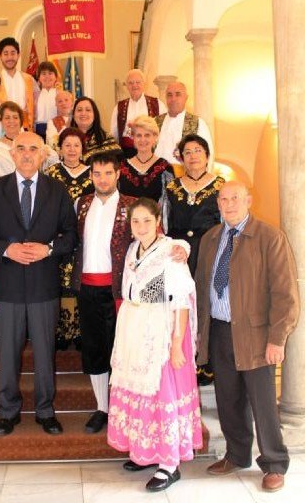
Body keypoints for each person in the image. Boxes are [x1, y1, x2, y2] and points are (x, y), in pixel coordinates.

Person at [195, 181, 300, 493]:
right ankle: (237, 454)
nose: (228, 204)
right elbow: (202, 289)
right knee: (229, 400)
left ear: (248, 201)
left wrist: (277, 339)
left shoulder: (270, 238)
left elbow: (285, 295)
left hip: (257, 335)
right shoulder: (211, 238)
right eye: (223, 199)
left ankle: (274, 463)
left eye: (235, 198)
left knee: (263, 403)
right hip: (219, 331)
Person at [0, 132, 77, 436]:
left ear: (43, 154)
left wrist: (49, 249)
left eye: (34, 149)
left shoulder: (57, 190)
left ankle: (45, 411)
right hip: (8, 286)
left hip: (45, 285)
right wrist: (7, 249)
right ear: (12, 153)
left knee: (45, 352)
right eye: (21, 149)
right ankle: (8, 412)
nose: (28, 154)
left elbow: (70, 235)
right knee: (8, 353)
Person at [108, 198, 202, 492]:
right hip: (136, 327)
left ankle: (169, 464)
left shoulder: (170, 252)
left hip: (163, 330)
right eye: (136, 221)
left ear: (158, 221)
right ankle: (146, 450)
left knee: (163, 395)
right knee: (139, 391)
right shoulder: (133, 250)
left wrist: (176, 344)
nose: (141, 227)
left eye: (147, 220)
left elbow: (182, 300)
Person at [71, 153, 136, 434]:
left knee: (121, 352)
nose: (102, 179)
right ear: (91, 176)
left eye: (108, 173)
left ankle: (125, 408)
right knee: (95, 351)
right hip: (87, 288)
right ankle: (102, 408)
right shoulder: (82, 204)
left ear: (118, 174)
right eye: (97, 174)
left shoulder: (132, 206)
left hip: (120, 291)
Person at [163, 133, 224, 385]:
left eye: (198, 150)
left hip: (208, 252)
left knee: (205, 304)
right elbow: (165, 222)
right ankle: (180, 357)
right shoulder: (172, 186)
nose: (193, 156)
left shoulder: (220, 186)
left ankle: (205, 364)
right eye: (187, 152)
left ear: (207, 155)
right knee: (180, 305)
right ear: (182, 158)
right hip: (178, 255)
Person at [46, 127, 94, 350]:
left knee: (81, 283)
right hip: (59, 235)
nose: (72, 149)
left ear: (83, 148)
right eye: (67, 145)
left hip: (87, 236)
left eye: (76, 145)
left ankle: (82, 331)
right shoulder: (51, 173)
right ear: (60, 149)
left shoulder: (94, 172)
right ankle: (63, 331)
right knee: (62, 283)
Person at [155, 81, 214, 173]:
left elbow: (208, 154)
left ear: (186, 98)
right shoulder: (155, 122)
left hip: (185, 179)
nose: (173, 99)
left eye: (178, 94)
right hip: (156, 177)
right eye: (169, 95)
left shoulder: (198, 123)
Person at [0, 101, 58, 176]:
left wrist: (42, 155)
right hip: (5, 186)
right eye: (7, 118)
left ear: (21, 121)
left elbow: (54, 158)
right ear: (1, 121)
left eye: (15, 117)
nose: (11, 121)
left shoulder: (34, 141)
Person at [110, 69, 166, 158]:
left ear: (144, 84)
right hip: (126, 153)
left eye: (138, 82)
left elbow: (164, 130)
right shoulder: (119, 107)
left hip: (151, 151)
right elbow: (114, 135)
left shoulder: (157, 104)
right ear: (127, 86)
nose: (134, 85)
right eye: (131, 83)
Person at [118, 115, 173, 202]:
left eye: (147, 135)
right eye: (138, 135)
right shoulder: (122, 167)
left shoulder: (165, 168)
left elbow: (169, 204)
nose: (143, 140)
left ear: (155, 137)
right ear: (133, 137)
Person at [0, 37, 37, 130]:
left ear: (18, 55)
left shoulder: (29, 79)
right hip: (2, 128)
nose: (10, 57)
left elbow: (36, 105)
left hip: (25, 127)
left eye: (13, 53)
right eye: (5, 54)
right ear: (0, 56)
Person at [70, 96, 121, 164]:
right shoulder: (66, 140)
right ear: (73, 115)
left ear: (95, 115)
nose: (83, 113)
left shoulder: (107, 139)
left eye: (88, 110)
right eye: (79, 110)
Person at [34, 61, 60, 141]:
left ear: (56, 77)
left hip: (57, 130)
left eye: (50, 73)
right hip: (38, 131)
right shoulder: (34, 95)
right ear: (39, 78)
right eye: (44, 74)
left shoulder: (61, 94)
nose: (47, 76)